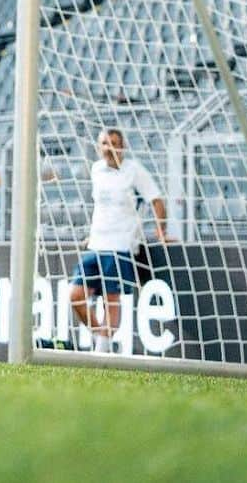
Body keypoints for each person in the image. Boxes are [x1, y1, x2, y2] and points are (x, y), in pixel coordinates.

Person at [70, 126, 172, 352]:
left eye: (114, 143)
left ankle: (101, 351)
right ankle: (101, 337)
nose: (109, 148)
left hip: (120, 245)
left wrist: (161, 233)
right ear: (99, 147)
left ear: (123, 147)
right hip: (95, 244)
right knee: (75, 296)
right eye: (105, 143)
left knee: (111, 300)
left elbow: (156, 200)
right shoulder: (96, 170)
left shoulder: (133, 170)